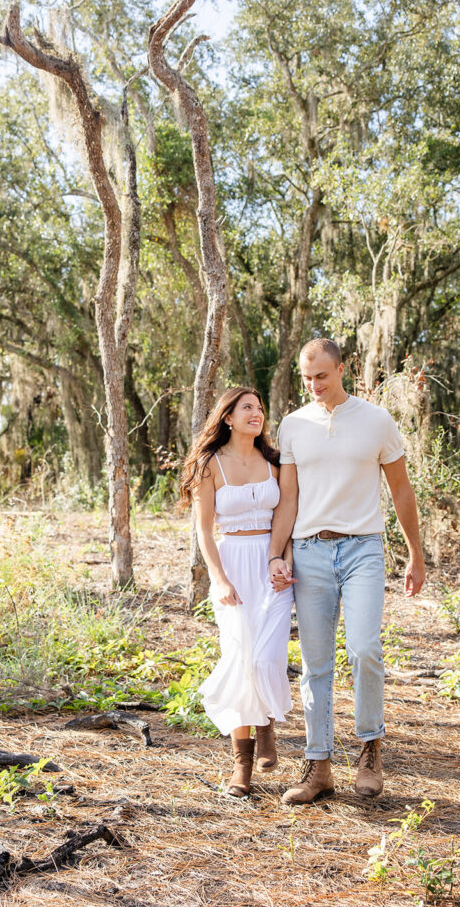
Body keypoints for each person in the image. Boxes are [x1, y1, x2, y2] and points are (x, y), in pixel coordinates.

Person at [268, 339, 425, 804]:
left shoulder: (377, 421)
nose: (314, 385)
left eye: (322, 375)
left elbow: (401, 491)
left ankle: (370, 751)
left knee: (364, 647)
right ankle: (318, 768)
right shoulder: (294, 425)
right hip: (310, 552)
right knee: (316, 666)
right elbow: (289, 497)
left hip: (363, 550)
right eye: (307, 378)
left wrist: (416, 555)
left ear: (341, 369)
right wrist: (279, 553)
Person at [179, 387, 295, 797]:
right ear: (227, 417)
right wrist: (219, 578)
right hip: (231, 563)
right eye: (247, 407)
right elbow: (204, 529)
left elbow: (288, 514)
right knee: (239, 658)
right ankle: (241, 766)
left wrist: (284, 559)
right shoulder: (210, 464)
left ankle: (266, 724)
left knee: (266, 657)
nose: (256, 413)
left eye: (260, 408)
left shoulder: (274, 461)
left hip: (271, 564)